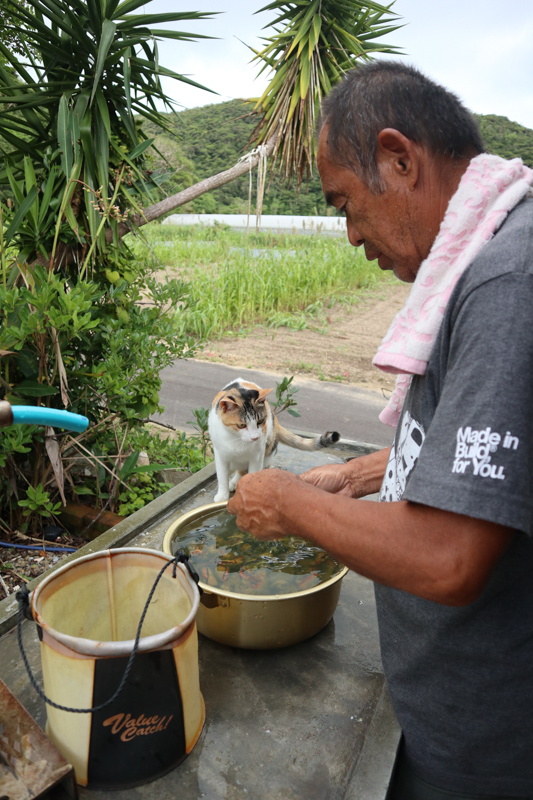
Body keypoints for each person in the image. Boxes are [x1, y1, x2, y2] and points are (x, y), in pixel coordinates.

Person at [227, 61, 533, 800]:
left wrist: (292, 503)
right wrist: (359, 475)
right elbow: (486, 450)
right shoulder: (493, 250)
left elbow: (449, 557)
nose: (349, 234)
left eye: (345, 203)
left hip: (483, 748)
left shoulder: (505, 283)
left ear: (399, 159)